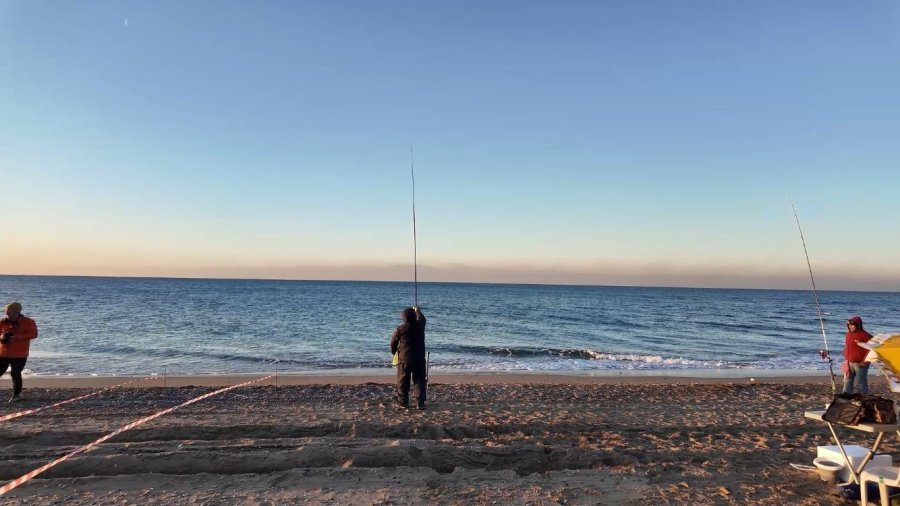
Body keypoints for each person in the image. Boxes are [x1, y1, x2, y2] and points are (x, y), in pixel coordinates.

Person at [0, 302, 39, 402]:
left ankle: (16, 395)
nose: (8, 314)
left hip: (20, 354)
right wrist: (2, 337)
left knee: (15, 373)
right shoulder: (3, 322)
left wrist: (17, 337)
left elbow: (34, 334)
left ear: (17, 312)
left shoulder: (28, 322)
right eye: (6, 312)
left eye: (10, 312)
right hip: (4, 353)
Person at [390, 306, 427, 410]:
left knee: (403, 380)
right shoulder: (420, 325)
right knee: (419, 380)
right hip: (419, 358)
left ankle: (403, 403)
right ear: (414, 316)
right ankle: (420, 403)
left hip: (404, 358)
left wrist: (394, 353)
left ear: (404, 318)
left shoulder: (400, 329)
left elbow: (393, 343)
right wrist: (418, 311)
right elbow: (423, 319)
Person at [843, 315, 872, 395]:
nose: (850, 326)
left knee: (861, 381)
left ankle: (863, 396)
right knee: (848, 379)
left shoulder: (865, 335)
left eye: (852, 325)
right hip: (849, 362)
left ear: (858, 325)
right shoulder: (849, 334)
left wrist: (865, 362)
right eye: (849, 325)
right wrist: (846, 359)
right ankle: (846, 395)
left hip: (860, 363)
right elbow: (847, 346)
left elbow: (870, 350)